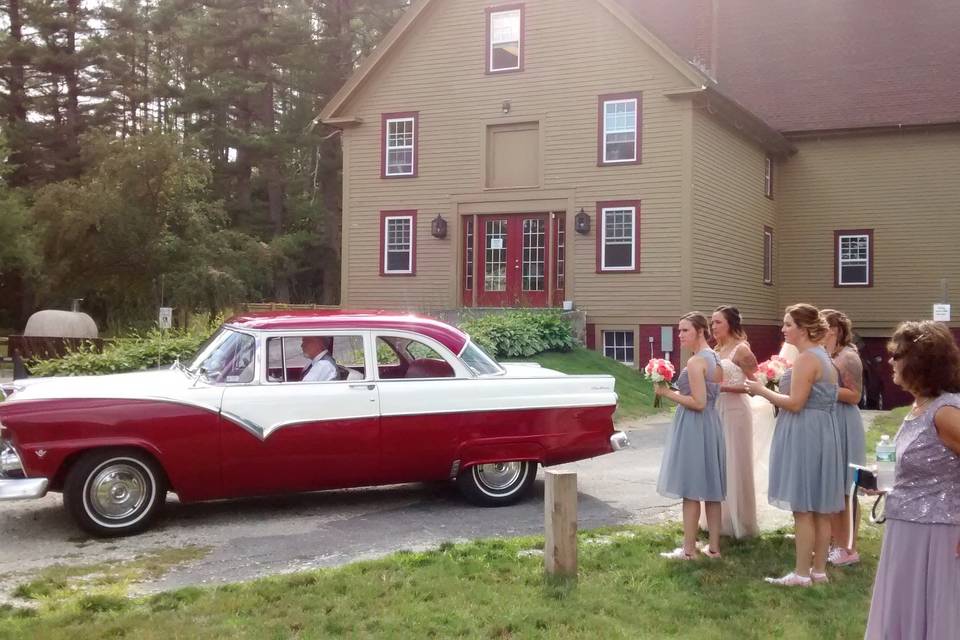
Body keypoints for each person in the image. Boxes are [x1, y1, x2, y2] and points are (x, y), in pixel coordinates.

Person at [864, 321, 960, 640]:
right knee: (903, 613)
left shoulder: (946, 411)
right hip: (905, 529)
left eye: (898, 356)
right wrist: (880, 479)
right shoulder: (919, 406)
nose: (890, 361)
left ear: (920, 363)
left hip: (937, 534)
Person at [745, 304, 844, 586]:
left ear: (803, 328)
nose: (783, 329)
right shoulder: (824, 357)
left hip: (805, 432)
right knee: (820, 508)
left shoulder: (807, 359)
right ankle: (819, 571)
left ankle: (802, 574)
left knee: (803, 507)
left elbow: (796, 403)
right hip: (824, 430)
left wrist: (762, 390)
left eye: (788, 324)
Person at [656, 312, 726, 559]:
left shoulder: (697, 361)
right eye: (679, 330)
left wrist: (666, 393)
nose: (680, 335)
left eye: (685, 330)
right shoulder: (714, 357)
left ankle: (688, 550)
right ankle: (714, 548)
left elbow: (698, 402)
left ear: (699, 331)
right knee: (711, 489)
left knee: (691, 487)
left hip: (696, 424)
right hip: (711, 424)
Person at [702, 305, 760, 538]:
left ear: (731, 324)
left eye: (718, 322)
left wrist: (720, 388)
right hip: (716, 409)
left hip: (735, 410)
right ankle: (718, 518)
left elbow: (756, 385)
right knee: (718, 461)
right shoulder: (716, 349)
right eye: (712, 322)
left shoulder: (742, 350)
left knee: (734, 461)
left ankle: (740, 520)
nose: (713, 327)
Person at [821, 309, 867, 566]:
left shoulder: (848, 357)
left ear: (835, 330)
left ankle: (848, 547)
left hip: (844, 420)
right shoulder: (826, 355)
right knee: (831, 485)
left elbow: (854, 395)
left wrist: (820, 389)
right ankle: (832, 540)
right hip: (828, 418)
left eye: (823, 325)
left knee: (846, 488)